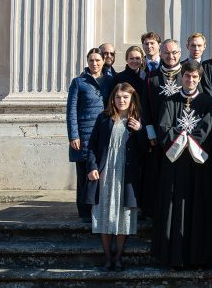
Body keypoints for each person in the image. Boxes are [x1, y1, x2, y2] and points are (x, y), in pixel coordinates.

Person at [153, 60, 212, 267]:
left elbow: (209, 129)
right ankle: (173, 256)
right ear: (181, 77)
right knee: (175, 207)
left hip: (199, 164)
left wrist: (188, 140)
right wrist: (184, 139)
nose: (190, 80)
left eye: (194, 77)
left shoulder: (208, 102)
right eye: (187, 76)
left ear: (199, 79)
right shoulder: (169, 101)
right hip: (175, 165)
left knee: (198, 205)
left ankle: (198, 256)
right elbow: (164, 126)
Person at [84, 83, 149, 271]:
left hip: (125, 175)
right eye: (118, 97)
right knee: (103, 213)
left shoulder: (136, 120)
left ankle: (119, 257)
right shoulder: (103, 118)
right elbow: (92, 146)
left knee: (123, 216)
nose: (121, 101)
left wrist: (140, 130)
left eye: (125, 97)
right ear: (113, 99)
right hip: (105, 173)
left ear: (132, 100)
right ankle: (107, 257)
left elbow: (146, 149)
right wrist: (92, 166)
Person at [67, 48, 114, 222]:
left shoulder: (110, 81)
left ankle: (100, 210)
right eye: (91, 60)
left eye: (97, 60)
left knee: (101, 173)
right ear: (87, 62)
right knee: (84, 175)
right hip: (84, 135)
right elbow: (71, 110)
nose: (94, 63)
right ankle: (85, 213)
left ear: (104, 61)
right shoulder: (79, 82)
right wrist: (73, 135)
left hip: (104, 134)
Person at [141, 39, 183, 218]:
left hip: (183, 137)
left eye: (174, 52)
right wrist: (151, 133)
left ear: (180, 53)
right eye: (166, 53)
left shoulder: (188, 75)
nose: (170, 56)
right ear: (161, 54)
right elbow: (145, 106)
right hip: (159, 137)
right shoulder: (152, 77)